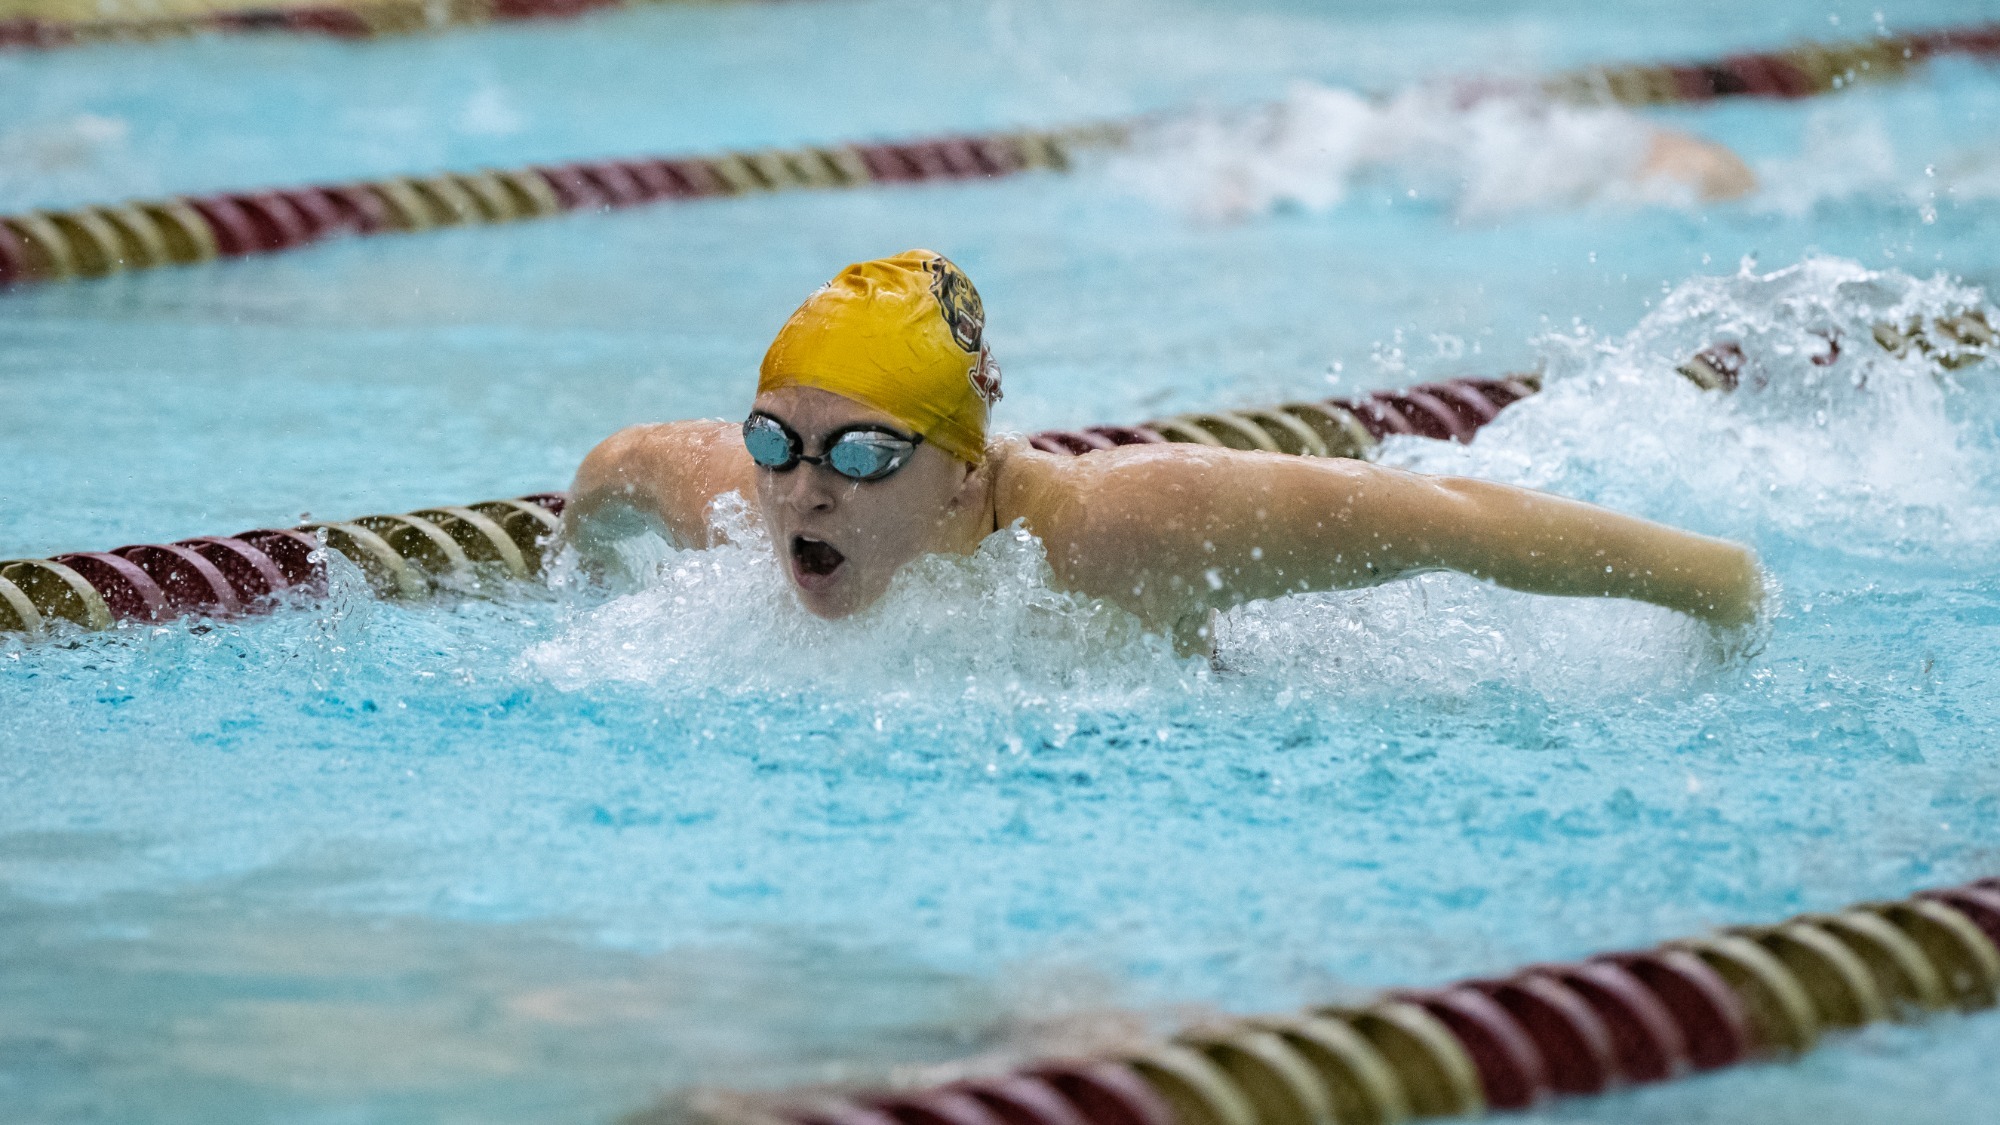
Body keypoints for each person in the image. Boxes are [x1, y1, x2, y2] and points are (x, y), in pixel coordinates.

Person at [565, 250, 1765, 654]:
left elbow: (1448, 519)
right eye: (777, 440)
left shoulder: (1122, 528)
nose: (804, 490)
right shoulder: (739, 494)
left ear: (964, 469)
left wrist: (1720, 590)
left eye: (864, 455)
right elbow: (614, 468)